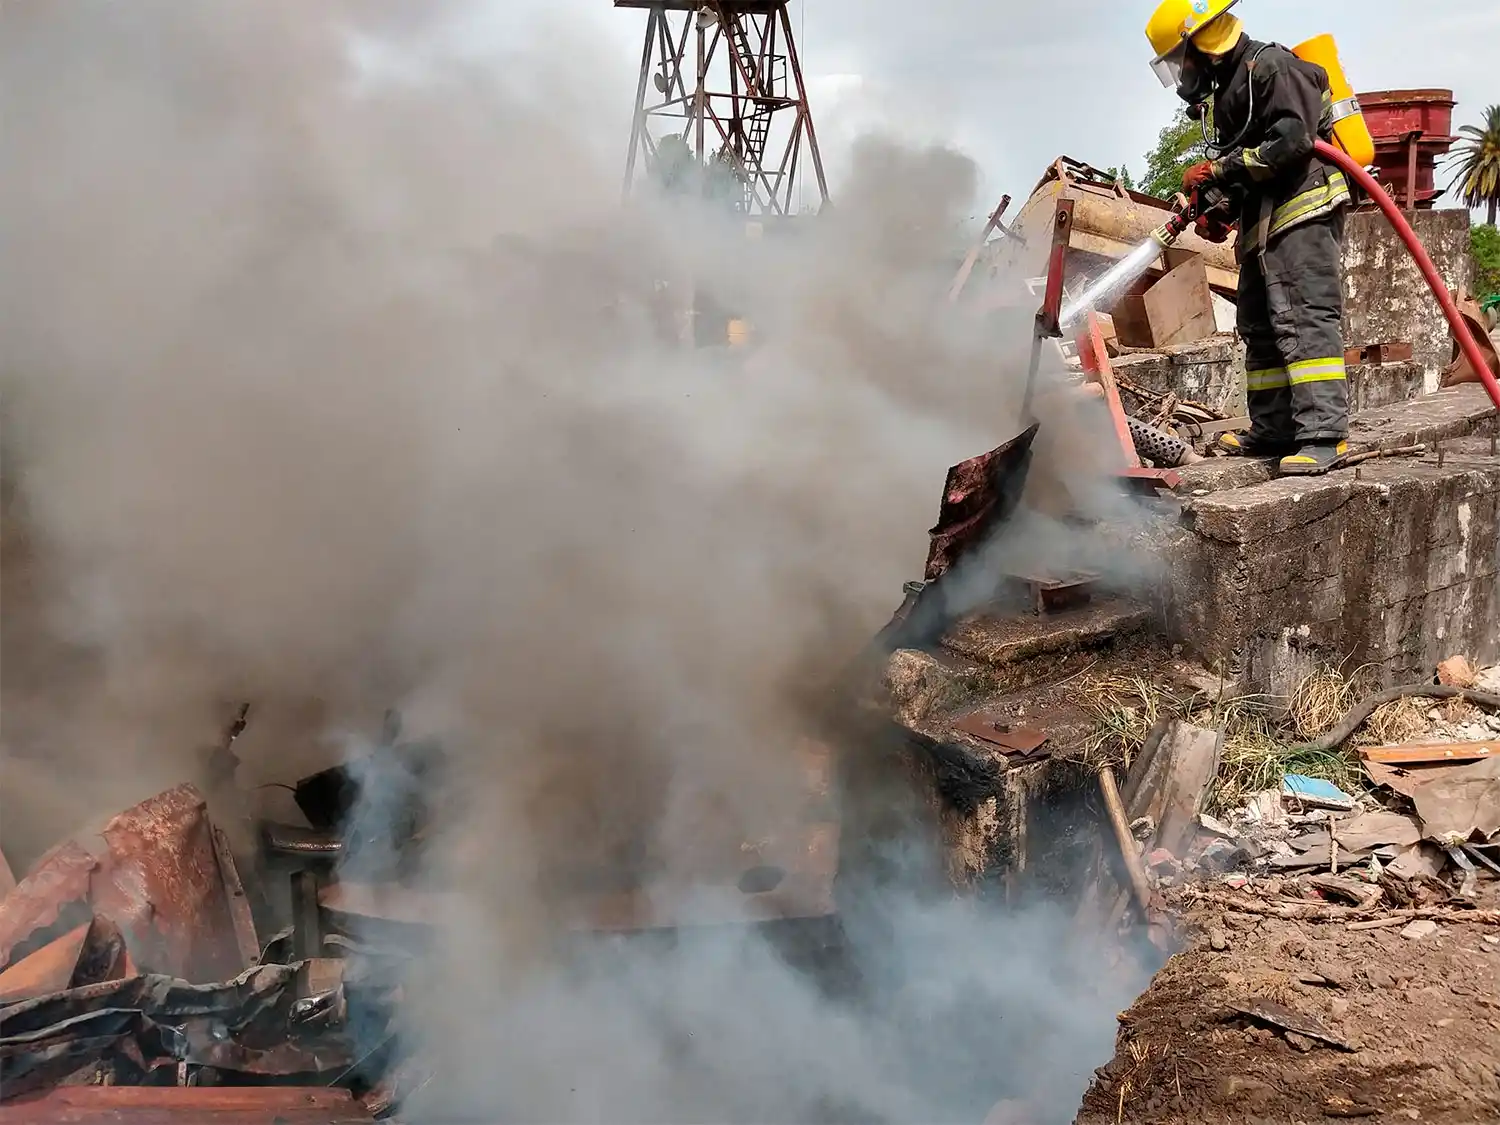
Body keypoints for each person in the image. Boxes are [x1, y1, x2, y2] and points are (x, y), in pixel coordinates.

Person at [1145, 0, 1352, 474]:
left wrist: (1215, 169)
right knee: (1259, 326)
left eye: (1180, 58)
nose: (1181, 73)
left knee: (1303, 318)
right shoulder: (1231, 91)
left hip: (1303, 212)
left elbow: (1292, 143)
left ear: (1202, 43)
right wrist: (1219, 205)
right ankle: (1274, 429)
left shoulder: (1272, 67)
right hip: (1264, 223)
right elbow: (1251, 167)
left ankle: (1324, 435)